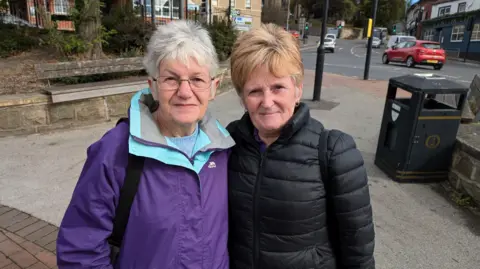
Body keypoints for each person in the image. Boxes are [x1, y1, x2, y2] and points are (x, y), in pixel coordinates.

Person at [56, 20, 235, 269]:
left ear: (213, 87)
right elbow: (80, 250)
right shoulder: (115, 151)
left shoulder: (224, 150)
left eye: (197, 79)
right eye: (171, 79)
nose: (185, 92)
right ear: (152, 85)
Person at [227, 23, 375, 269]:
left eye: (278, 87)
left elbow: (357, 249)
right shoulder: (228, 142)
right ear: (243, 99)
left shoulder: (334, 151)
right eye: (254, 91)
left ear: (297, 90)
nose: (267, 101)